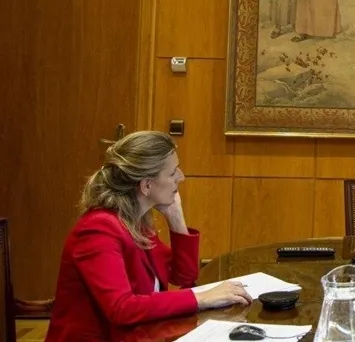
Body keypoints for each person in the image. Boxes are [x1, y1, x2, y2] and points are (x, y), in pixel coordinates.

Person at [46, 131, 251, 341]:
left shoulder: (136, 222)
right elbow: (121, 308)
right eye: (172, 173)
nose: (181, 177)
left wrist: (176, 219)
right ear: (146, 185)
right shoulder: (98, 230)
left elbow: (183, 276)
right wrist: (200, 299)